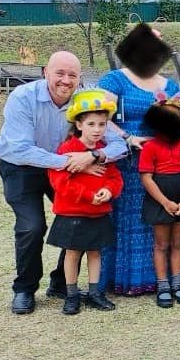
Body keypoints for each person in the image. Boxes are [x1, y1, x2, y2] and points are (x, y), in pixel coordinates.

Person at [0, 51, 127, 314]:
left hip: (74, 165)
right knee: (31, 227)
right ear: (45, 72)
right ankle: (24, 289)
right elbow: (20, 149)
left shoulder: (85, 100)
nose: (66, 80)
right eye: (60, 73)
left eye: (73, 75)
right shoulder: (23, 98)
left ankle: (61, 283)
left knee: (80, 220)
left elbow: (118, 144)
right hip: (23, 167)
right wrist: (69, 161)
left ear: (79, 78)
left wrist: (92, 155)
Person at [98, 23, 180, 296]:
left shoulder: (170, 85)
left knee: (154, 219)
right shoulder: (114, 80)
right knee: (121, 219)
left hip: (159, 162)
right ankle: (113, 278)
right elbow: (98, 119)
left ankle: (160, 279)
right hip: (123, 161)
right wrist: (127, 138)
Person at [47, 89, 124, 315]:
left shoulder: (103, 152)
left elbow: (115, 178)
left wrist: (109, 191)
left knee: (95, 253)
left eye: (102, 124)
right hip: (73, 212)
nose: (97, 130)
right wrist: (88, 195)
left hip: (98, 213)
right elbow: (59, 181)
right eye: (91, 124)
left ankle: (94, 293)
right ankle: (71, 295)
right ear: (79, 125)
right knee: (72, 253)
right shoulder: (67, 150)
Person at [139, 94, 180, 308]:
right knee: (161, 244)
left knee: (177, 243)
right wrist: (164, 202)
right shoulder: (150, 147)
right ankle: (163, 286)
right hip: (160, 203)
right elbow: (146, 178)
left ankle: (178, 284)